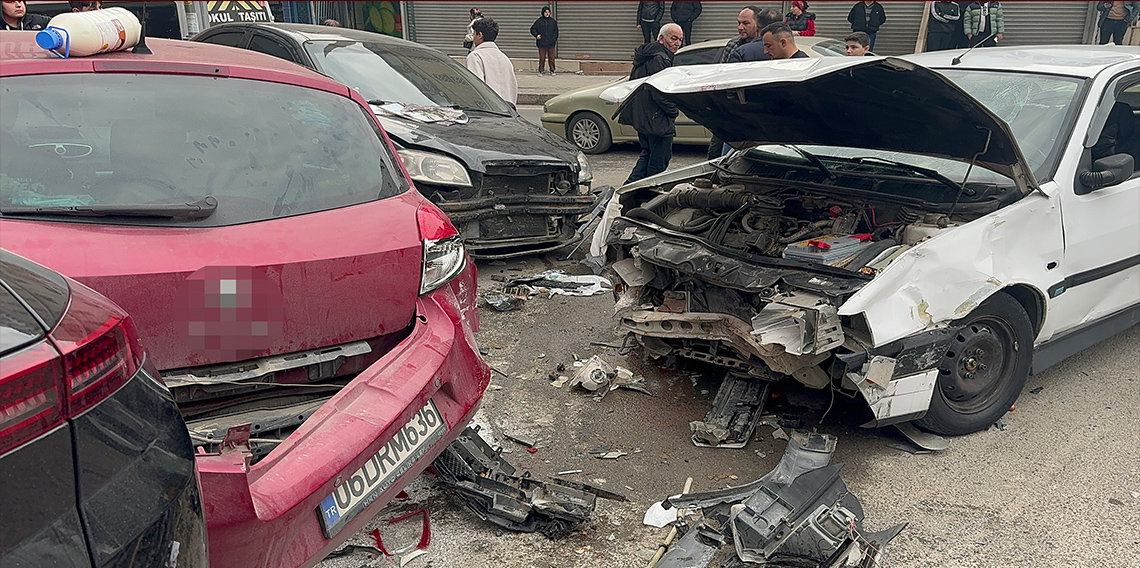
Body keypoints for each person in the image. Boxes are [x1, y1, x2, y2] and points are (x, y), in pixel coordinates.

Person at [620, 23, 683, 184]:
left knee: (647, 155)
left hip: (645, 117)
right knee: (658, 164)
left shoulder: (648, 55)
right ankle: (645, 196)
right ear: (661, 39)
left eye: (680, 40)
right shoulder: (660, 58)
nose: (677, 43)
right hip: (656, 120)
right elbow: (659, 92)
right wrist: (673, 112)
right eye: (673, 38)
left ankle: (628, 192)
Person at [466, 18, 518, 105]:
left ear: (480, 35)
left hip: (489, 111)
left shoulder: (475, 57)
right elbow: (513, 87)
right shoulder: (504, 58)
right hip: (508, 111)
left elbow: (476, 88)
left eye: (474, 34)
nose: (473, 37)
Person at [530, 6, 558, 75]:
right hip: (542, 43)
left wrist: (554, 39)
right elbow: (533, 29)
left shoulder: (553, 22)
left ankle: (552, 70)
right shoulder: (539, 21)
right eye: (546, 12)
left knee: (551, 58)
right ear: (543, 13)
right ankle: (541, 70)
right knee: (542, 58)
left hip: (551, 43)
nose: (547, 14)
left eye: (548, 12)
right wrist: (536, 35)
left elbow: (556, 31)